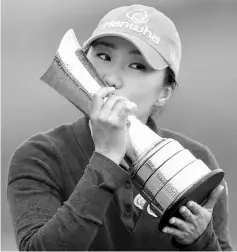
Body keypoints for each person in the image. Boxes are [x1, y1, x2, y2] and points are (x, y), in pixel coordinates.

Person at [7, 4, 232, 251]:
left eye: (136, 66)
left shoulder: (196, 163)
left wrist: (201, 240)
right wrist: (105, 159)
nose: (111, 79)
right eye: (104, 57)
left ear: (164, 93)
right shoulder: (39, 157)